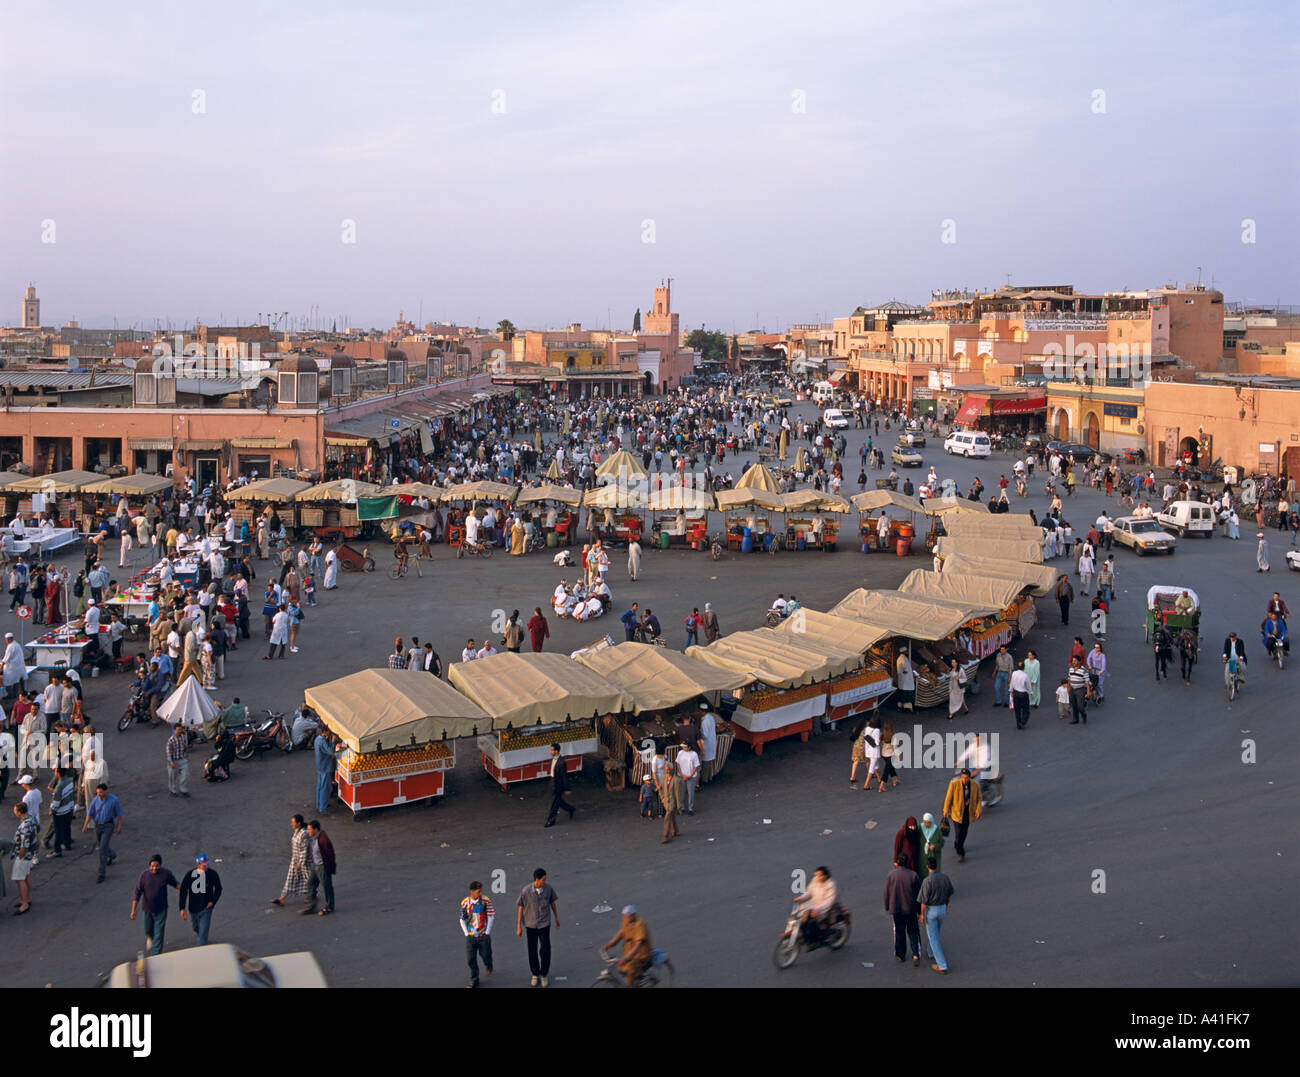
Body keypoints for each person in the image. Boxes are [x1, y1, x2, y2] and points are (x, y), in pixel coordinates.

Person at [516, 868, 560, 987]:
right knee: (532, 950)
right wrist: (518, 926)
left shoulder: (548, 889)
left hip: (544, 923)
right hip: (531, 925)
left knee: (545, 949)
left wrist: (556, 918)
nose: (545, 881)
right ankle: (535, 974)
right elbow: (520, 907)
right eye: (543, 879)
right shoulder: (526, 891)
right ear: (537, 880)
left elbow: (552, 903)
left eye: (545, 879)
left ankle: (544, 974)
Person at [130, 854, 180, 955]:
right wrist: (133, 910)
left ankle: (155, 954)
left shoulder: (166, 874)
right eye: (152, 866)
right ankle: (151, 938)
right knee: (147, 930)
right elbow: (137, 893)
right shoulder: (144, 876)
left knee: (159, 933)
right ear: (149, 865)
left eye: (156, 866)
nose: (154, 868)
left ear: (160, 865)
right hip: (147, 909)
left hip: (161, 909)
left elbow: (176, 884)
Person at [883, 851, 922, 964]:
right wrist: (920, 911)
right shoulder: (913, 875)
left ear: (898, 862)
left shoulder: (891, 875)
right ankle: (915, 953)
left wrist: (887, 906)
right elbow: (918, 895)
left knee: (900, 931)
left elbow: (887, 893)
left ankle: (901, 954)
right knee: (913, 931)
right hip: (910, 909)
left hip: (897, 909)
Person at [918, 858, 955, 974]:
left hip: (932, 910)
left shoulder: (927, 881)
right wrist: (946, 906)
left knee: (933, 937)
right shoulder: (945, 877)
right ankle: (930, 952)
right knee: (936, 932)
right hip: (942, 908)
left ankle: (942, 965)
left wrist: (922, 914)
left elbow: (923, 901)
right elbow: (949, 894)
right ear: (937, 865)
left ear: (927, 867)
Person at [602, 905, 653, 988]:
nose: (625, 918)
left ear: (634, 915)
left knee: (629, 970)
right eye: (625, 916)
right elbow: (621, 933)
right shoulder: (626, 921)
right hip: (630, 953)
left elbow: (638, 945)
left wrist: (626, 958)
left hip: (641, 954)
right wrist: (610, 945)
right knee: (620, 969)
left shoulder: (639, 925)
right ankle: (636, 979)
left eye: (627, 916)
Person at [82, 781, 122, 884]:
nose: (99, 794)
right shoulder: (95, 800)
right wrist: (86, 824)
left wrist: (119, 826)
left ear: (106, 791)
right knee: (101, 845)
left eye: (100, 792)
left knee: (102, 849)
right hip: (98, 825)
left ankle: (101, 873)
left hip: (108, 825)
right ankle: (112, 854)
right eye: (97, 792)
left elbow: (119, 814)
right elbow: (90, 813)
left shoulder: (114, 800)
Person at [178, 854, 222, 946]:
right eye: (204, 865)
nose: (206, 866)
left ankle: (200, 949)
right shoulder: (190, 875)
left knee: (203, 933)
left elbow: (218, 888)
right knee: (196, 928)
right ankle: (202, 938)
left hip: (206, 908)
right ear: (198, 865)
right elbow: (183, 891)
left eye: (207, 864)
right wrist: (182, 908)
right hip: (193, 909)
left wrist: (213, 901)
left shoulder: (212, 874)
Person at [271, 814, 312, 909]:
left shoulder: (304, 833)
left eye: (293, 822)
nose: (291, 824)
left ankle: (312, 895)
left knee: (309, 879)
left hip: (304, 862)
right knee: (290, 879)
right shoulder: (297, 831)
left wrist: (300, 864)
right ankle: (282, 898)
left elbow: (304, 850)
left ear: (299, 823)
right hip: (295, 860)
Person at [941, 769, 982, 862]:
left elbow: (979, 798)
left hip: (968, 813)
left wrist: (978, 810)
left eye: (966, 778)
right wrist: (946, 810)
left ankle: (958, 843)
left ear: (970, 777)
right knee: (958, 832)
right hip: (957, 813)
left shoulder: (975, 785)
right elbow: (948, 798)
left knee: (964, 831)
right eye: (963, 777)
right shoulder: (954, 784)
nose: (964, 780)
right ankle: (960, 852)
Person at [460, 880, 495, 988]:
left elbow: (491, 915)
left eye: (481, 891)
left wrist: (487, 932)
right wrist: (466, 933)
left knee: (485, 955)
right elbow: (462, 919)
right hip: (471, 937)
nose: (480, 894)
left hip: (483, 936)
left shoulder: (485, 901)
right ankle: (474, 980)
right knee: (470, 959)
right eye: (478, 892)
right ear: (472, 892)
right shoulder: (465, 903)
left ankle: (488, 964)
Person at [11, 800, 37, 915]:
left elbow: (24, 844)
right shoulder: (31, 819)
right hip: (30, 854)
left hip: (23, 855)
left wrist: (20, 856)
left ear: (19, 812)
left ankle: (24, 903)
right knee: (26, 876)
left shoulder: (25, 825)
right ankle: (26, 899)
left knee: (19, 878)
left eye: (15, 811)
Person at [305, 819, 336, 915]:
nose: (308, 831)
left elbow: (330, 855)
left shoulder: (323, 840)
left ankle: (329, 906)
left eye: (310, 829)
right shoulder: (314, 837)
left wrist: (330, 869)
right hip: (315, 865)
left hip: (322, 866)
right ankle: (312, 904)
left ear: (316, 829)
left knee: (326, 886)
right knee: (310, 883)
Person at [544, 743, 575, 828]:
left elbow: (564, 776)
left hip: (557, 784)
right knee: (557, 801)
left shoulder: (562, 762)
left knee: (554, 802)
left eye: (551, 750)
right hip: (552, 781)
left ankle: (551, 820)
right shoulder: (554, 759)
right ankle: (570, 809)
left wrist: (567, 788)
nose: (550, 752)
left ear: (556, 751)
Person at [660, 760, 685, 844]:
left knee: (667, 817)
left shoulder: (676, 780)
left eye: (668, 769)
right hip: (666, 802)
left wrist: (679, 805)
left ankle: (666, 836)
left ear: (672, 769)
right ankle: (676, 831)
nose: (667, 771)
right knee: (672, 816)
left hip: (673, 802)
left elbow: (678, 794)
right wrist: (662, 797)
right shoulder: (664, 778)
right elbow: (661, 789)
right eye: (666, 769)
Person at [314, 730, 336, 813]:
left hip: (320, 766)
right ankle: (323, 807)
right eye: (329, 732)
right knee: (325, 787)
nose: (330, 733)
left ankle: (319, 804)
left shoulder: (317, 739)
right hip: (325, 766)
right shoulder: (322, 741)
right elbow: (331, 751)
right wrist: (333, 741)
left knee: (320, 786)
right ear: (325, 732)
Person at [166, 724, 190, 798]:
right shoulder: (171, 740)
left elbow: (185, 747)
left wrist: (186, 755)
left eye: (181, 729)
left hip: (182, 759)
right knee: (172, 777)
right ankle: (172, 790)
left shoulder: (183, 737)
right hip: (174, 761)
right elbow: (168, 752)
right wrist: (171, 762)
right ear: (174, 730)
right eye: (178, 730)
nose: (180, 731)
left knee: (185, 775)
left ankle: (183, 790)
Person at [919, 812, 944, 878]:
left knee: (934, 874)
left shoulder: (936, 830)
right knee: (923, 872)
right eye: (925, 822)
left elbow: (942, 843)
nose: (927, 824)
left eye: (928, 822)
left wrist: (935, 846)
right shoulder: (920, 828)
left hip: (934, 856)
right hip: (923, 856)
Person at [1010, 661, 1031, 728]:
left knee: (1017, 710)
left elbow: (1011, 683)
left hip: (1015, 693)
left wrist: (1011, 691)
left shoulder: (1014, 673)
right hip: (1023, 694)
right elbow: (1028, 686)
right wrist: (1031, 693)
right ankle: (1023, 722)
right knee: (1026, 710)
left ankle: (1018, 723)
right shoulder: (1025, 676)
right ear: (1024, 668)